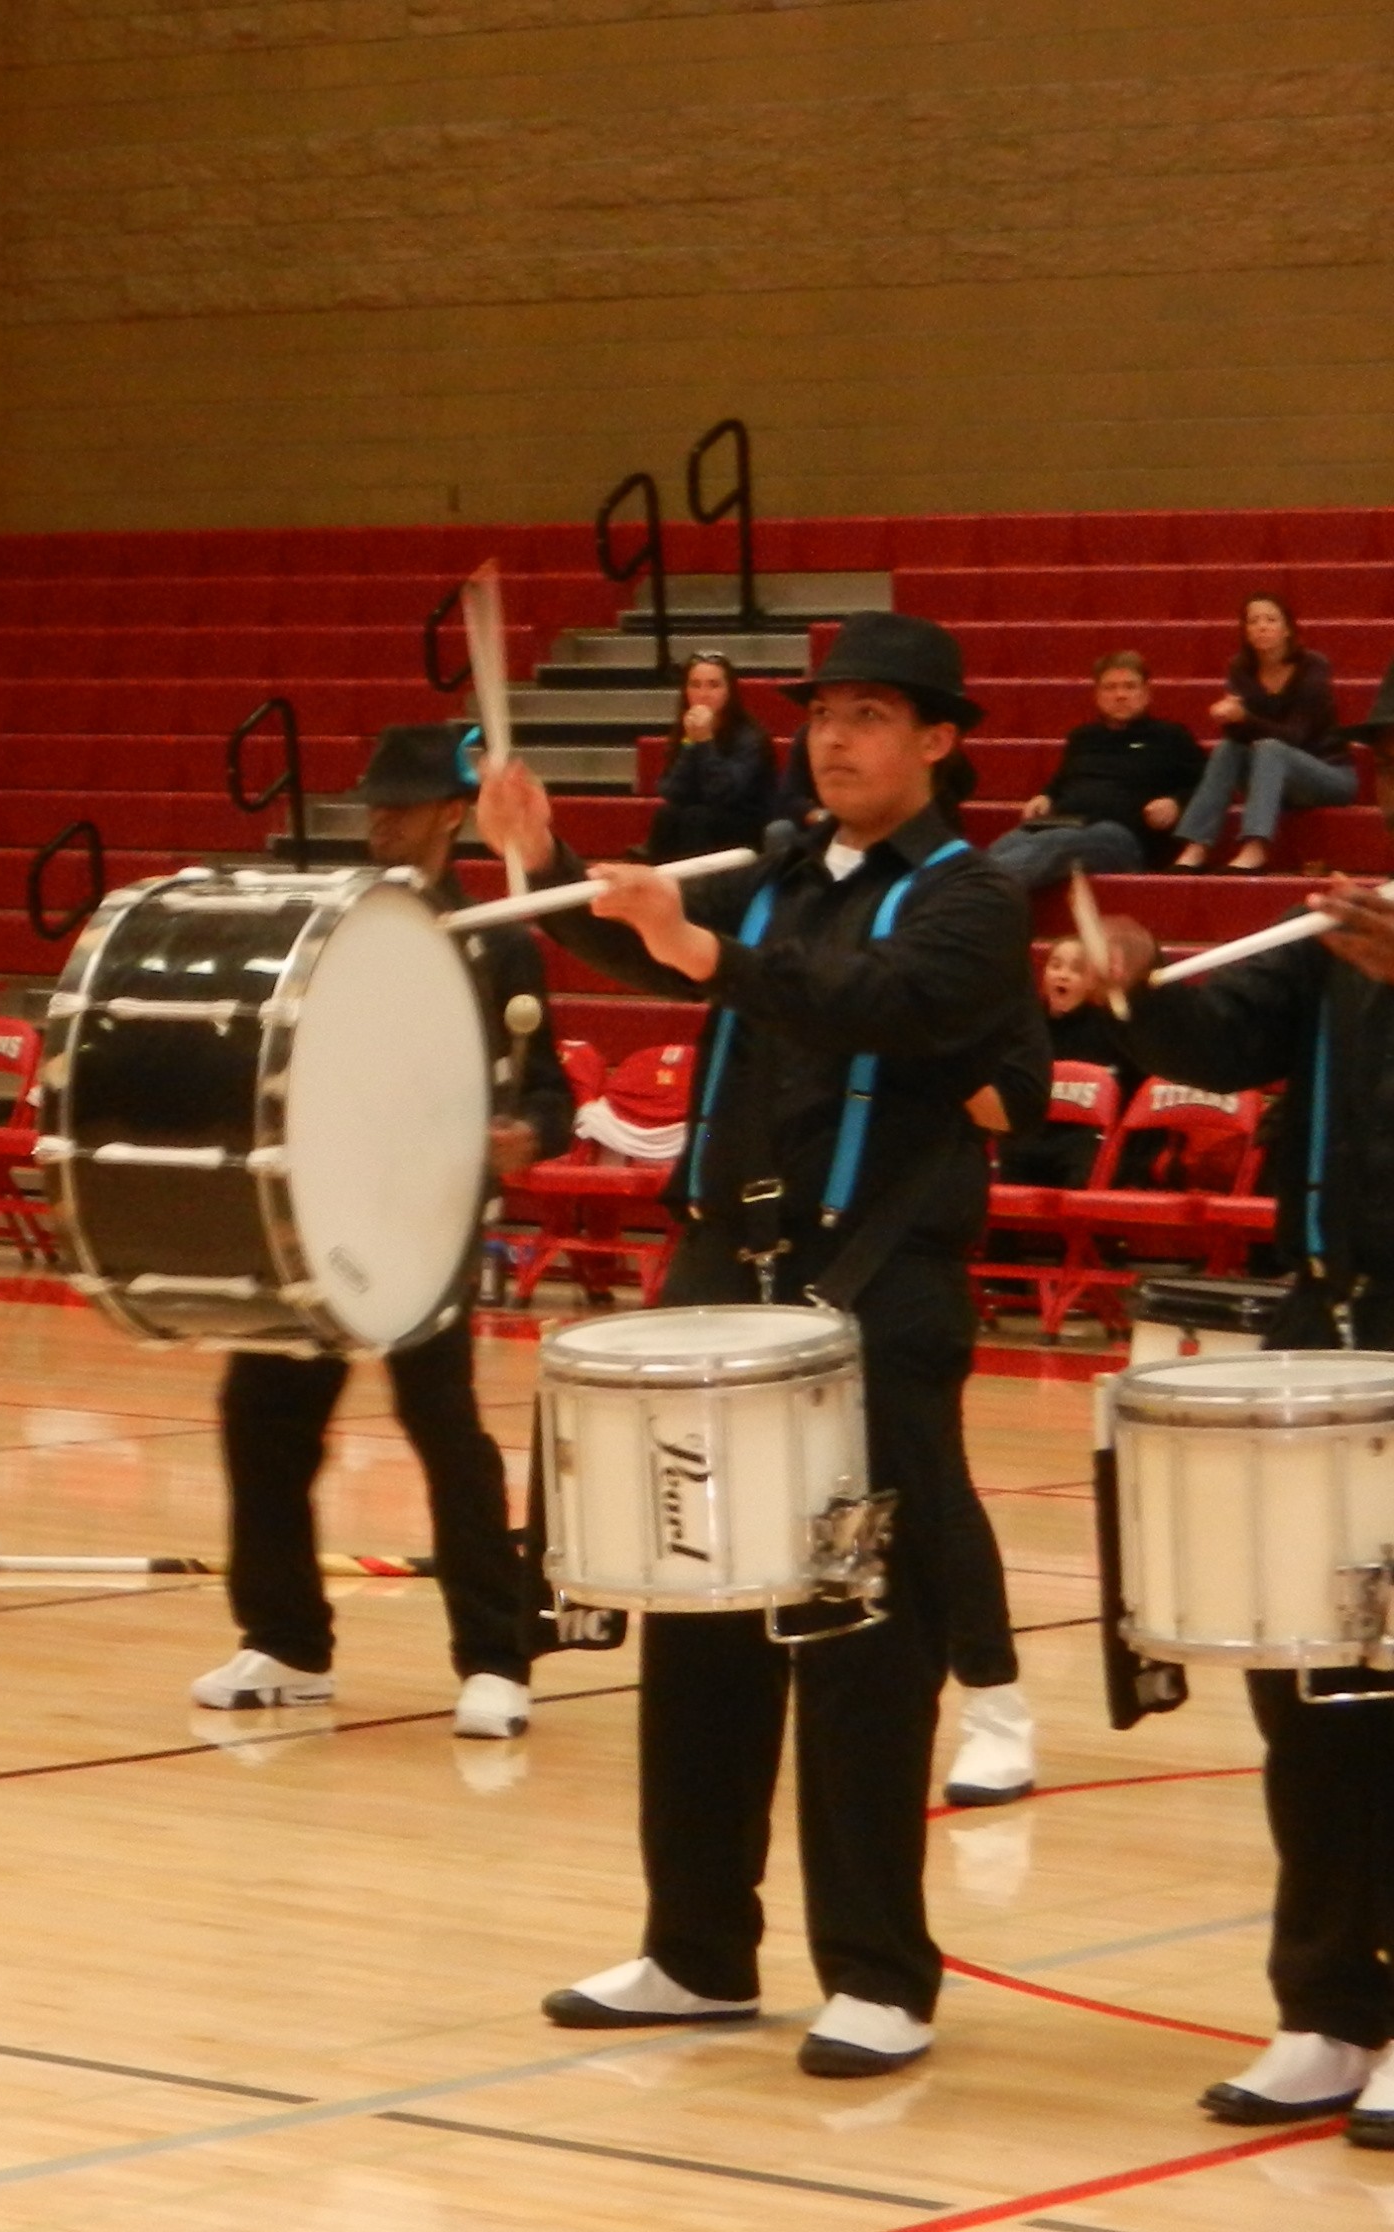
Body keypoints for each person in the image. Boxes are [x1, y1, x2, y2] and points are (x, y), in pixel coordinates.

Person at [481, 612, 1043, 2079]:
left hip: (874, 1303)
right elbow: (665, 956)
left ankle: (879, 1972)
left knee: (863, 1639)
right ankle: (696, 1948)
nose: (839, 737)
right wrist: (533, 864)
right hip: (725, 1285)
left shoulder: (973, 902)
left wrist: (708, 950)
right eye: (827, 714)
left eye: (873, 715)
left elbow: (887, 1006)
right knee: (704, 1621)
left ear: (939, 742)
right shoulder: (787, 874)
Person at [1053, 875, 1394, 2142]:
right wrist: (1139, 980)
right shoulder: (1330, 942)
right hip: (1325, 1339)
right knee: (1303, 1682)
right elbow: (1216, 1035)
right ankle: (1323, 2011)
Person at [189, 725, 566, 1737]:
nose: (381, 821)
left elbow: (552, 1096)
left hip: (425, 1223)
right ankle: (285, 1642)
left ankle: (495, 1659)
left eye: (400, 804)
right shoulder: (324, 925)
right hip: (316, 1216)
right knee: (259, 1421)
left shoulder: (496, 935)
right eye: (372, 804)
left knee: (443, 1433)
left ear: (451, 813)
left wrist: (523, 1133)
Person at [984, 651, 1205, 891]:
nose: (1120, 695)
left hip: (1120, 836)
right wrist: (1045, 796)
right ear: (1097, 696)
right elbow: (1062, 782)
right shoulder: (1083, 737)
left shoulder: (1171, 737)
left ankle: (976, 894)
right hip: (1060, 822)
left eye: (1130, 687)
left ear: (1146, 694)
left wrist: (1176, 803)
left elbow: (1207, 786)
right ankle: (969, 893)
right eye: (1110, 688)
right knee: (1008, 843)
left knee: (1058, 843)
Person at [1173, 594, 1348, 874]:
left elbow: (1296, 736)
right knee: (1227, 749)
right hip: (1270, 778)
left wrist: (1245, 718)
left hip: (1326, 774)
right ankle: (1197, 843)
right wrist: (1229, 718)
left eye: (1270, 619)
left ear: (1287, 628)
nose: (1261, 627)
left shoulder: (1312, 667)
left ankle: (1257, 844)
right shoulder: (1241, 668)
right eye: (1253, 621)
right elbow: (1240, 736)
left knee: (1270, 748)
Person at [642, 653, 781, 862]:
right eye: (695, 685)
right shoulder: (687, 730)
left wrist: (705, 742)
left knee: (697, 818)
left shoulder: (750, 738)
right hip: (703, 816)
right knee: (667, 814)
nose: (703, 694)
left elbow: (723, 793)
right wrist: (690, 743)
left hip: (746, 821)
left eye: (713, 685)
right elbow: (672, 791)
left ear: (729, 692)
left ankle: (695, 888)